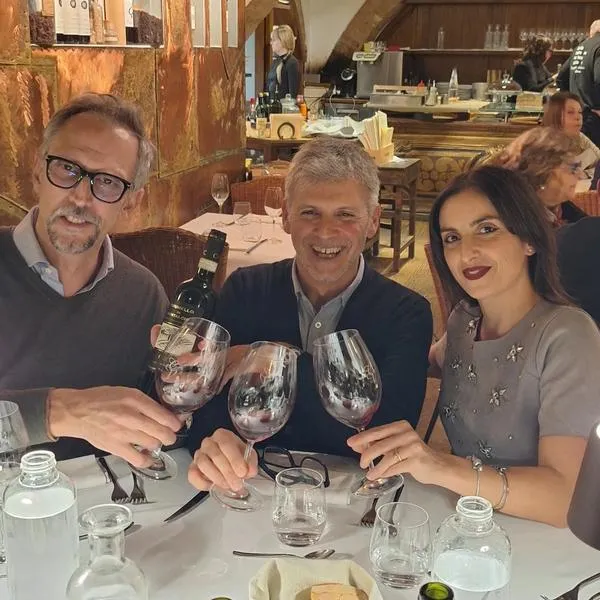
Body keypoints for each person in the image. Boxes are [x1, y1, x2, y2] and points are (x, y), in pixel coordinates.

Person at [348, 166, 600, 528]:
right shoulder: (464, 321)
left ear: (529, 239)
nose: (467, 252)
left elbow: (567, 498)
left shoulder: (569, 337)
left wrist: (440, 465)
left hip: (543, 538)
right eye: (452, 238)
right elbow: (426, 361)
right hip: (467, 524)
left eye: (487, 229)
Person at [186, 137, 433, 493]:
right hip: (251, 488)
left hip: (354, 500)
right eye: (309, 213)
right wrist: (214, 443)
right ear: (286, 217)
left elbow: (385, 436)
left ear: (373, 221)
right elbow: (208, 408)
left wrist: (268, 359)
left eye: (345, 215)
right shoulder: (244, 289)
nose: (326, 231)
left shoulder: (407, 313)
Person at [0, 93, 181, 463]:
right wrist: (62, 412)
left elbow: (162, 417)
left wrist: (192, 387)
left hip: (113, 495)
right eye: (67, 168)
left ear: (132, 201)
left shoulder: (143, 294)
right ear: (37, 170)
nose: (81, 197)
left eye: (108, 182)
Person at [490, 127, 586, 225]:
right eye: (573, 168)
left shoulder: (562, 208)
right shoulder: (514, 219)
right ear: (543, 171)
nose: (581, 175)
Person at [558, 20, 600, 146]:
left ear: (591, 33)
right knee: (593, 156)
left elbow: (561, 78)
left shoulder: (579, 47)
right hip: (595, 117)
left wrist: (570, 105)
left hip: (578, 114)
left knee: (579, 154)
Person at [543, 91, 600, 169]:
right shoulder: (544, 144)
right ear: (555, 115)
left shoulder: (579, 137)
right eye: (570, 112)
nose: (578, 117)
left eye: (580, 112)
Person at [266, 25, 300, 100]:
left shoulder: (292, 63)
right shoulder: (276, 61)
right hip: (272, 105)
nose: (271, 43)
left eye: (274, 40)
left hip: (283, 106)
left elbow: (293, 95)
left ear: (282, 41)